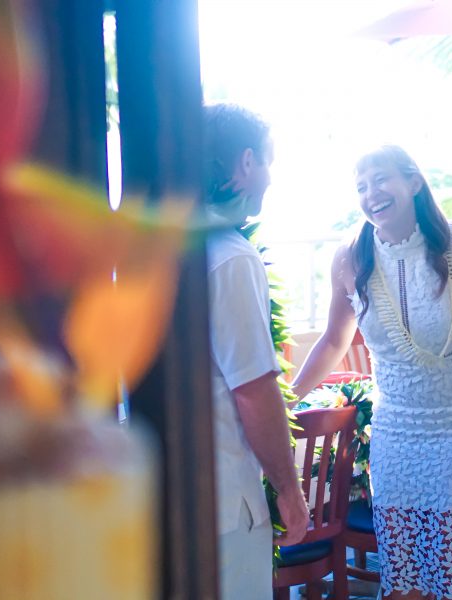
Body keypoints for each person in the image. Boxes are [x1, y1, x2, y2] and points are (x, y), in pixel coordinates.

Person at [292, 145, 452, 600]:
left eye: (381, 179)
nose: (371, 194)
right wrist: (287, 399)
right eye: (361, 187)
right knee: (402, 564)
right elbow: (332, 342)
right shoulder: (349, 258)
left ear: (414, 183)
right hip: (395, 428)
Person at [203, 103, 309, 600]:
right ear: (246, 164)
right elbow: (253, 391)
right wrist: (288, 491)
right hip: (225, 500)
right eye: (267, 162)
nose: (269, 178)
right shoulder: (229, 256)